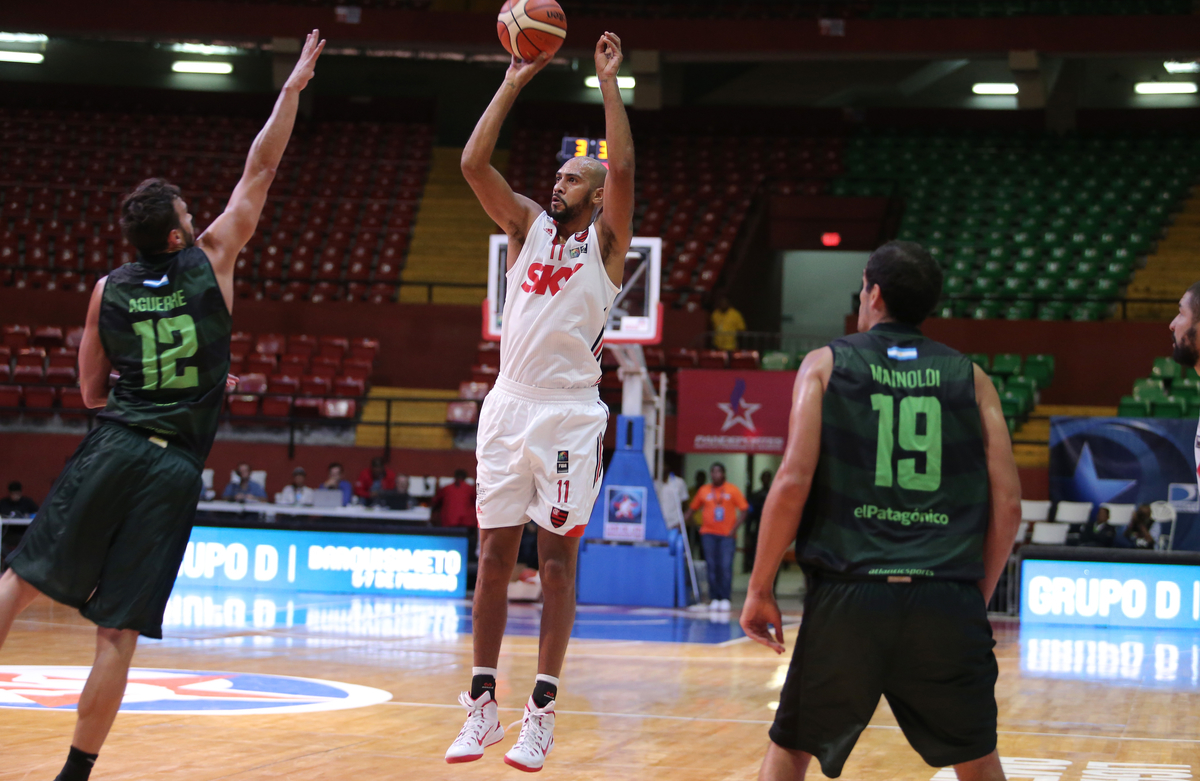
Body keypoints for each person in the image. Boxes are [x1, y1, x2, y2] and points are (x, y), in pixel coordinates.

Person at [0, 31, 324, 781]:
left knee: (18, 583)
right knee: (116, 634)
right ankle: (74, 774)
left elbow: (88, 394)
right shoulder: (214, 256)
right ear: (179, 231)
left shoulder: (105, 289)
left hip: (114, 445)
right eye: (188, 207)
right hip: (173, 468)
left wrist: (165, 379)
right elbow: (262, 167)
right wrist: (291, 90)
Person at [740, 240, 1022, 781]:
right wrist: (971, 594)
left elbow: (793, 482)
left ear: (873, 292)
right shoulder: (972, 378)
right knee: (978, 760)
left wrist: (759, 588)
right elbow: (1007, 505)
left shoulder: (825, 365)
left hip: (850, 594)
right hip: (945, 596)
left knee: (791, 749)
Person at [446, 32, 634, 772]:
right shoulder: (524, 225)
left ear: (594, 194)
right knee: (492, 556)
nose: (559, 184)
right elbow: (471, 164)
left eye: (572, 179)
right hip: (508, 404)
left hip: (567, 411)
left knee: (555, 564)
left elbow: (621, 164)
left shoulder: (607, 245)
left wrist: (607, 83)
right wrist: (514, 80)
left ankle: (542, 712)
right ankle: (483, 704)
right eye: (556, 176)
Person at [689, 463, 748, 611]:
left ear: (724, 474)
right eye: (713, 472)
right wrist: (681, 524)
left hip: (727, 536)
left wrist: (734, 528)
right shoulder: (704, 490)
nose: (715, 475)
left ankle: (725, 597)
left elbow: (745, 510)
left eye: (718, 472)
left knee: (725, 566)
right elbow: (691, 509)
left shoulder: (732, 490)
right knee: (712, 566)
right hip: (708, 534)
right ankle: (714, 596)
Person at [743, 470, 773, 573]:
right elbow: (749, 516)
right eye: (764, 477)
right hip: (758, 529)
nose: (766, 480)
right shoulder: (755, 496)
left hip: (773, 529)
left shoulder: (775, 494)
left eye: (767, 477)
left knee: (772, 558)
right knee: (757, 557)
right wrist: (747, 533)